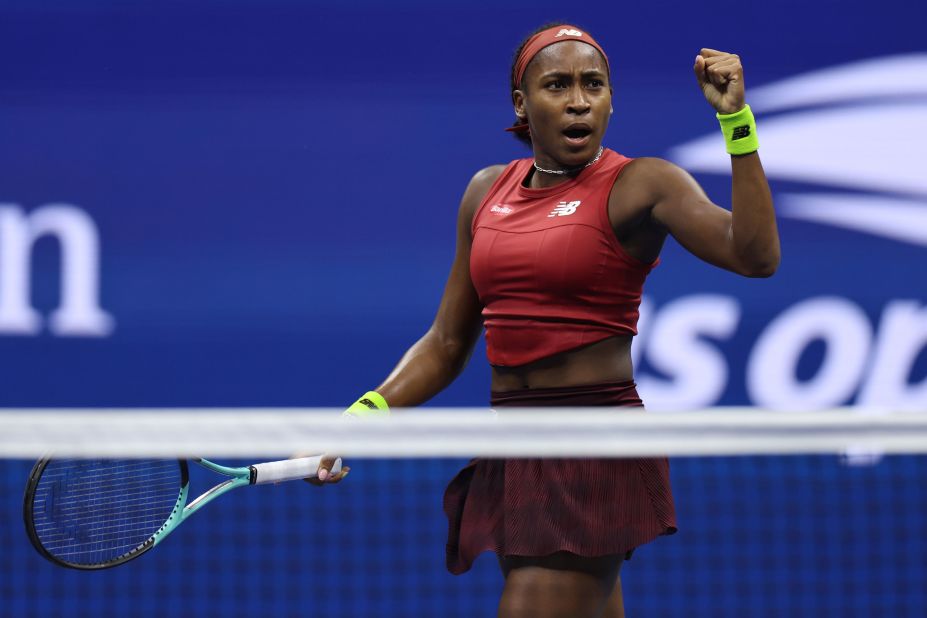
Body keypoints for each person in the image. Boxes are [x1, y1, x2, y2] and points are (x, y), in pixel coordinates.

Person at [325, 23, 780, 618]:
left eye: (594, 85)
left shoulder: (642, 184)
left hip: (593, 446)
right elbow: (446, 342)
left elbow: (755, 255)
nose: (578, 101)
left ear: (612, 99)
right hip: (513, 447)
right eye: (557, 85)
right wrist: (361, 418)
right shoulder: (486, 191)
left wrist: (737, 126)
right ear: (522, 102)